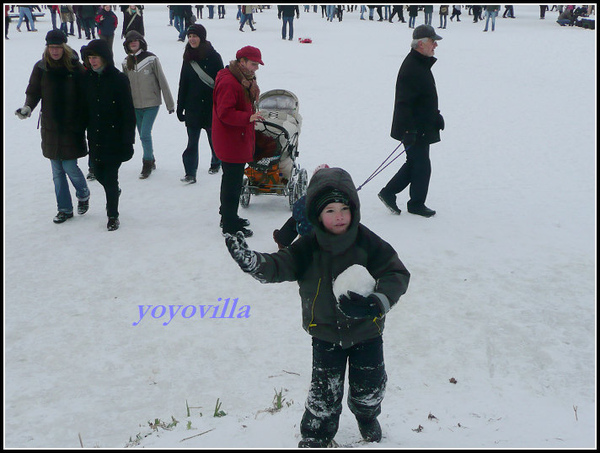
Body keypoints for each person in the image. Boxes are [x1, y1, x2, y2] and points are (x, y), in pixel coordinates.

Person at [224, 167, 410, 447]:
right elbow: (280, 265)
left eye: (344, 208)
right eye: (330, 210)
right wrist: (254, 263)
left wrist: (376, 302)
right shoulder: (307, 246)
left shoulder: (366, 241)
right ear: (316, 214)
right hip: (324, 333)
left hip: (367, 332)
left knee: (369, 387)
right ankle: (316, 434)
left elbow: (396, 273)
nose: (339, 216)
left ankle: (367, 415)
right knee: (324, 393)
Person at [15, 29, 90, 224]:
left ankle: (83, 194)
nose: (54, 51)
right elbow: (33, 92)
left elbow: (87, 94)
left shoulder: (75, 67)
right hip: (50, 126)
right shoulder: (41, 67)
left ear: (64, 47)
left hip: (71, 125)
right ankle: (64, 209)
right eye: (51, 47)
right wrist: (27, 107)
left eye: (58, 47)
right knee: (57, 171)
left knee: (70, 166)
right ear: (47, 48)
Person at [378, 24, 444, 218]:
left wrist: (435, 116)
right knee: (421, 165)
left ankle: (390, 193)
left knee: (416, 163)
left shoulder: (420, 63)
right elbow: (404, 103)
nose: (435, 46)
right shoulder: (413, 67)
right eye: (433, 42)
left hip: (421, 125)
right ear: (421, 44)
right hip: (414, 128)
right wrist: (410, 130)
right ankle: (414, 203)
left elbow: (424, 98)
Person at [81, 39, 136, 231]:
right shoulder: (87, 78)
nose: (92, 61)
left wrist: (128, 140)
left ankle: (113, 215)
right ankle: (113, 193)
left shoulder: (118, 79)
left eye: (95, 57)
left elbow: (128, 112)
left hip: (114, 137)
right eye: (89, 57)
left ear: (105, 58)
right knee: (98, 172)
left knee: (111, 177)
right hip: (95, 136)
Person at [212, 46, 265, 237]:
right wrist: (248, 117)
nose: (256, 68)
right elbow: (224, 113)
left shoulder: (242, 79)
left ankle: (228, 215)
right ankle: (229, 224)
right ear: (241, 62)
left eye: (257, 64)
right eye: (253, 64)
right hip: (231, 141)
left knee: (232, 180)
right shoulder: (229, 82)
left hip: (237, 139)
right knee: (232, 183)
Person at [122, 30, 175, 179]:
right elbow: (125, 86)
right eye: (130, 41)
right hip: (135, 105)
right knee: (142, 135)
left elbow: (162, 80)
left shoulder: (151, 59)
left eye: (136, 40)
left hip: (151, 103)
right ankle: (151, 157)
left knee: (145, 133)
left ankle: (147, 163)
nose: (133, 43)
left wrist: (169, 103)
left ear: (141, 42)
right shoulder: (126, 62)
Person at [177, 24, 224, 182]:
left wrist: (221, 105)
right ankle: (190, 173)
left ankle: (216, 162)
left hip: (211, 107)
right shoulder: (188, 57)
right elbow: (183, 83)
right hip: (193, 107)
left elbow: (222, 83)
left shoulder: (214, 56)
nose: (191, 39)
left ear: (201, 38)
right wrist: (180, 106)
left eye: (194, 36)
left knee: (213, 139)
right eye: (189, 36)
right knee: (192, 142)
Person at [272, 164, 329, 249]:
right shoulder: (335, 199)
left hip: (308, 235)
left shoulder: (307, 200)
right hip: (331, 234)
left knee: (295, 220)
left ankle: (282, 240)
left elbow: (296, 211)